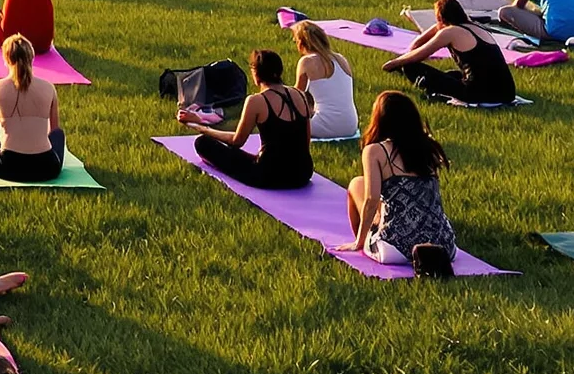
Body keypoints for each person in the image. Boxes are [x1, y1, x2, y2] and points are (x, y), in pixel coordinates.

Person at [344, 91, 456, 273]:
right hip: (444, 245)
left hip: (394, 248)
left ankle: (361, 239)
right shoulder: (428, 147)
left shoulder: (375, 151)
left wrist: (359, 242)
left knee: (357, 184)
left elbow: (371, 200)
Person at [183, 48, 314, 187]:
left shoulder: (256, 101)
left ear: (256, 73)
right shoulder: (300, 95)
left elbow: (237, 141)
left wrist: (204, 129)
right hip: (303, 173)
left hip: (270, 175)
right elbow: (306, 140)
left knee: (203, 143)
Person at [384, 0, 518, 106]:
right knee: (451, 75)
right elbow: (418, 43)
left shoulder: (450, 32)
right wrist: (438, 25)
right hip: (506, 92)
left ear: (442, 19)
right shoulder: (474, 27)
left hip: (479, 94)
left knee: (410, 66)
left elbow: (418, 54)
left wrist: (394, 63)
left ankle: (435, 92)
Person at [0, 35, 64, 182]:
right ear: (32, 58)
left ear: (7, 60)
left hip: (8, 167)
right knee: (59, 135)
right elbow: (54, 130)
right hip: (47, 168)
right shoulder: (49, 88)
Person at [291, 22, 360, 140]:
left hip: (326, 126)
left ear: (301, 43)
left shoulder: (307, 61)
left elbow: (296, 97)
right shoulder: (341, 59)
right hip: (350, 125)